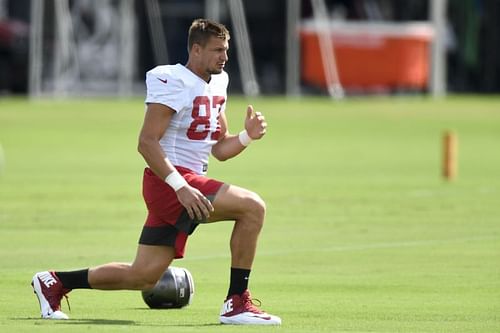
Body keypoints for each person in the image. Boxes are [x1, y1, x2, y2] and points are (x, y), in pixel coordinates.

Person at [31, 18, 281, 326]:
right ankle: (237, 303)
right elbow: (146, 142)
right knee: (252, 207)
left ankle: (54, 282)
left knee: (143, 275)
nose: (224, 57)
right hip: (172, 182)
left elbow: (219, 149)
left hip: (186, 183)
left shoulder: (219, 82)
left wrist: (246, 136)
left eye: (226, 50)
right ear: (196, 49)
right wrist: (180, 187)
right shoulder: (173, 79)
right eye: (217, 50)